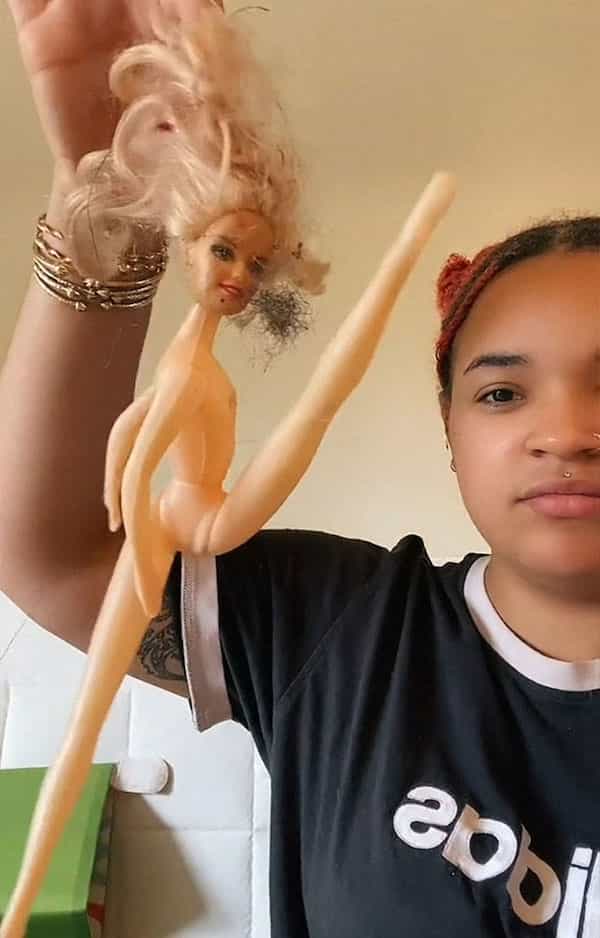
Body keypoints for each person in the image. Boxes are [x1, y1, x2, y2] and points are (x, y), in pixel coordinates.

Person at [3, 4, 600, 938]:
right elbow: (61, 554)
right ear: (450, 430)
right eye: (501, 393)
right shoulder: (338, 631)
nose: (564, 432)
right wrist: (115, 208)